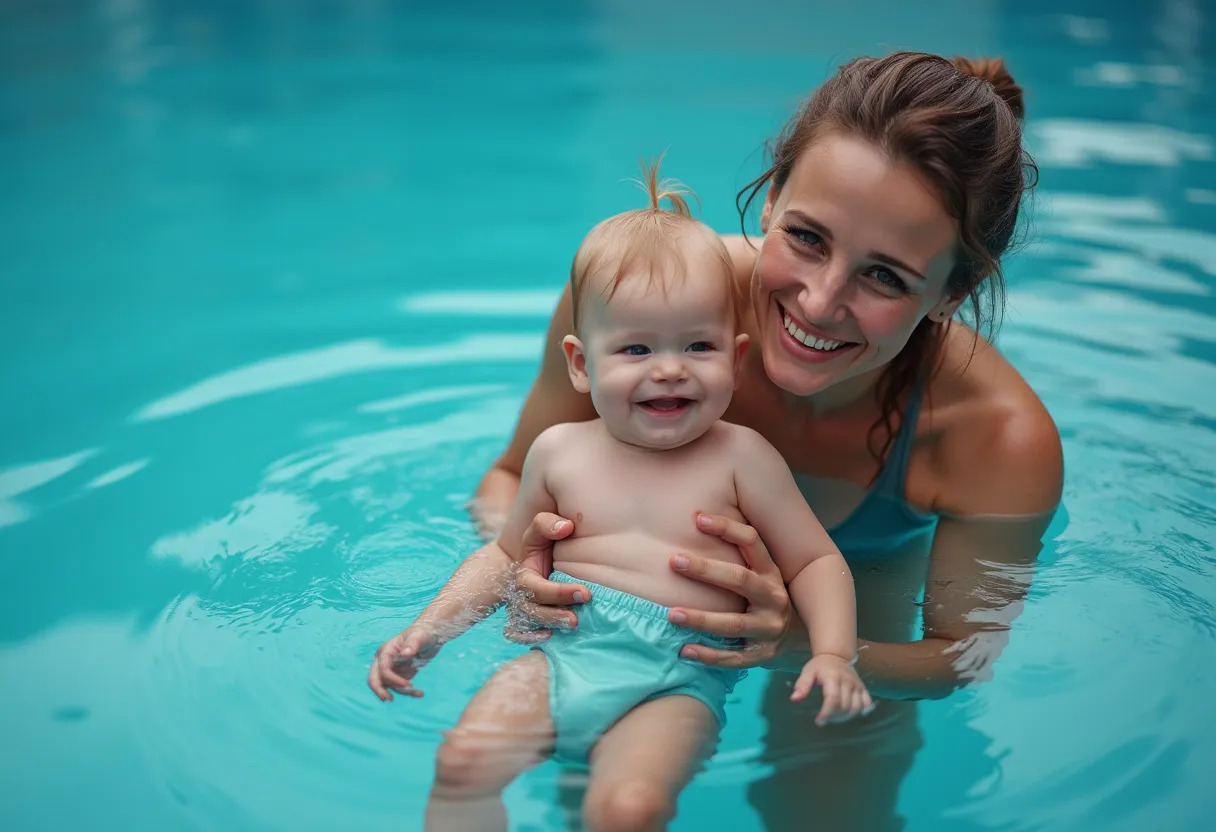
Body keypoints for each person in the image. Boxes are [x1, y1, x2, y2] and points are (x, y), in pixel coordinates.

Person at [459, 51, 1063, 830]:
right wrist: (525, 570)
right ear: (773, 198)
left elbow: (963, 654)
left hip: (859, 590)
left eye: (885, 277)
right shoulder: (648, 312)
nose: (819, 301)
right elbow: (507, 480)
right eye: (807, 237)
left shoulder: (998, 440)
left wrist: (802, 646)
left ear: (953, 292)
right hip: (626, 601)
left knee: (826, 811)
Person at [368, 161, 872, 832]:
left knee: (627, 810)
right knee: (463, 763)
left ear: (736, 356)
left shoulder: (744, 459)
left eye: (698, 345)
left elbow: (814, 562)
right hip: (561, 657)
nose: (669, 368)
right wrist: (429, 630)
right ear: (581, 364)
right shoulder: (559, 452)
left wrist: (834, 654)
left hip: (678, 677)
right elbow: (502, 555)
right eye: (635, 348)